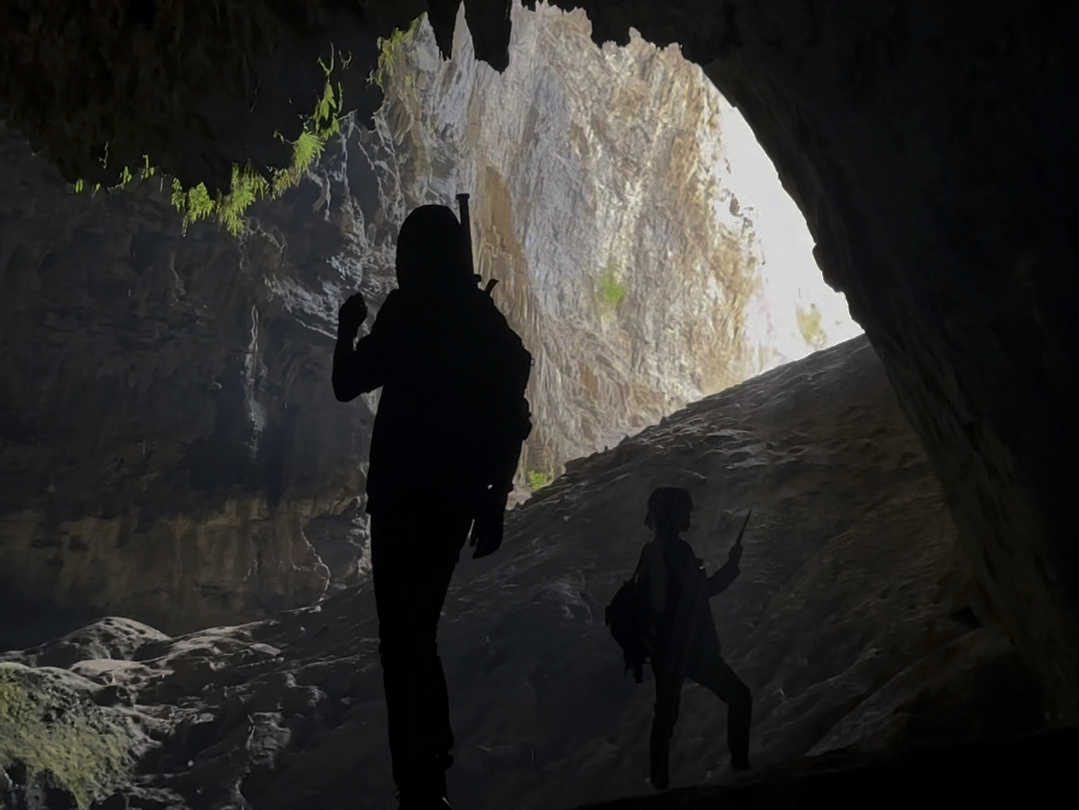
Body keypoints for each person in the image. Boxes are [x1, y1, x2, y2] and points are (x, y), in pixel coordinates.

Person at [332, 204, 531, 809]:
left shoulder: (410, 310)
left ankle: (418, 785)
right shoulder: (481, 319)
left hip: (401, 500)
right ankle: (428, 775)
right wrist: (493, 502)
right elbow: (511, 407)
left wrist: (348, 326)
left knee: (404, 641)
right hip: (454, 506)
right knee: (420, 634)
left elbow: (348, 384)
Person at [635, 487, 752, 789]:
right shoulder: (679, 552)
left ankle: (659, 783)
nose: (689, 517)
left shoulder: (650, 552)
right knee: (739, 697)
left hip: (665, 650)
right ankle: (741, 769)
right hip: (691, 648)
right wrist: (732, 565)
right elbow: (706, 590)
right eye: (685, 512)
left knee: (665, 715)